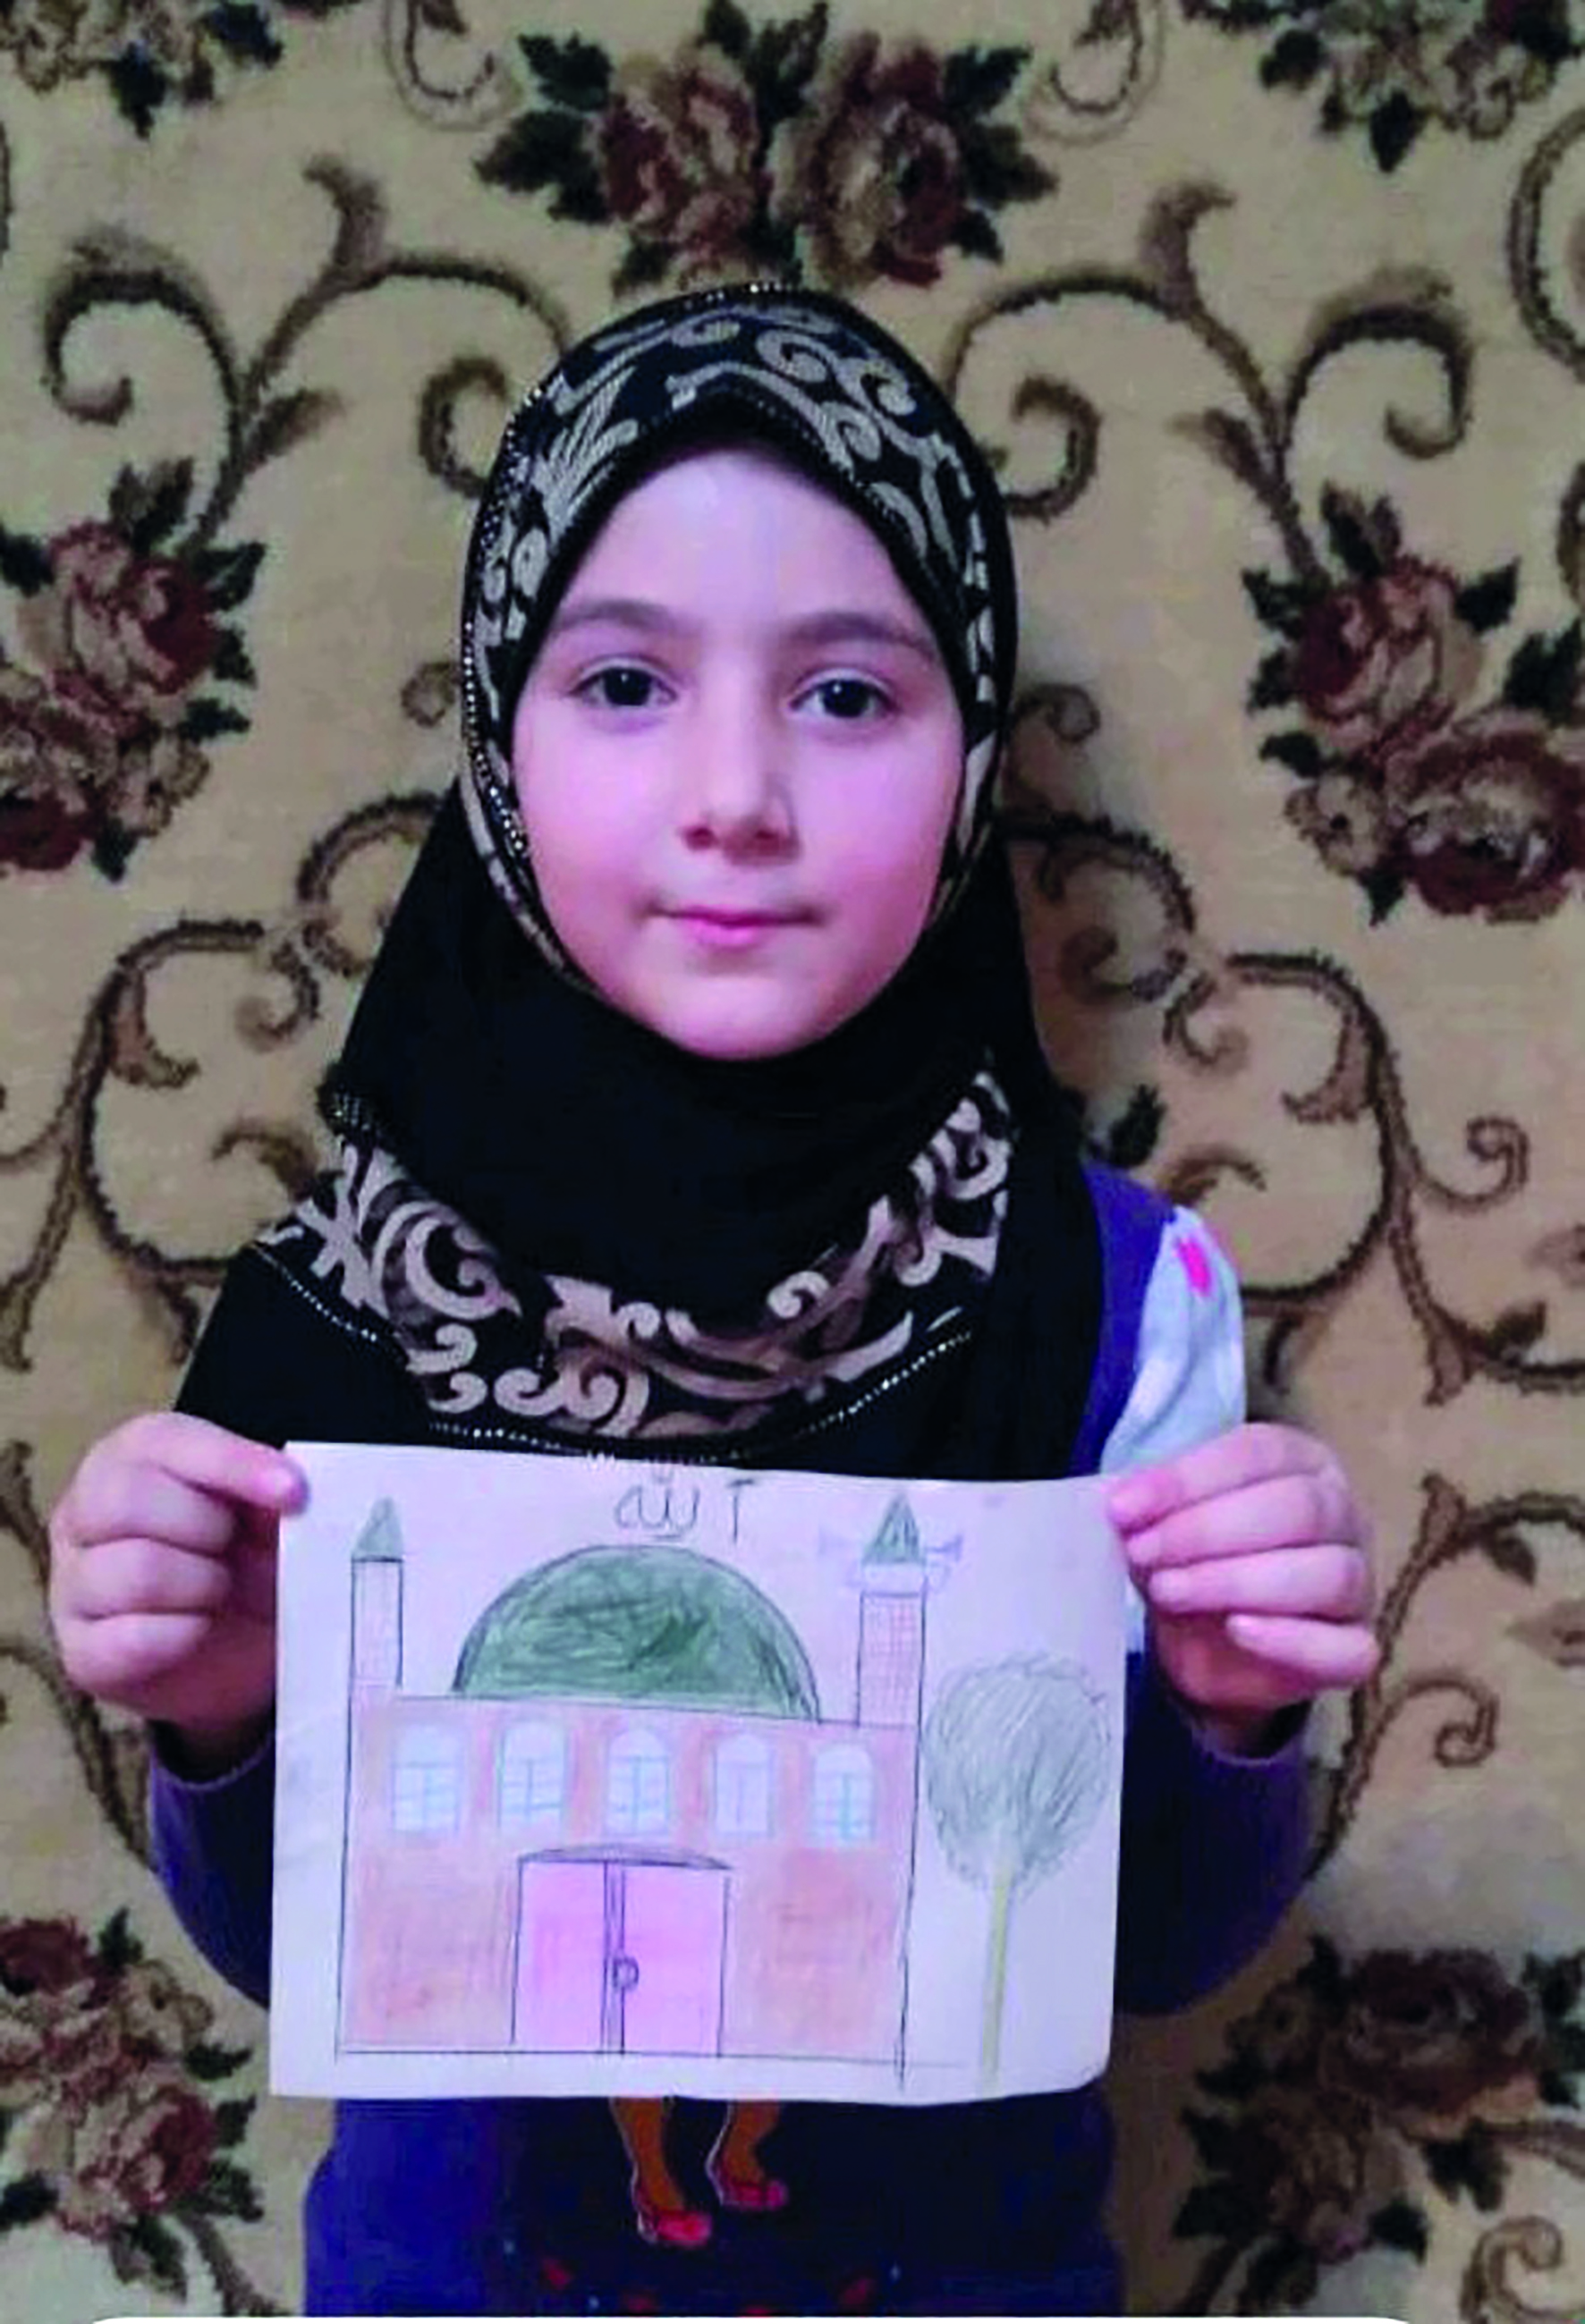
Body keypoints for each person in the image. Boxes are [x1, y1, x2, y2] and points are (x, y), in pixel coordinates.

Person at [47, 285, 1377, 2318]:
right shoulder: (347, 1299)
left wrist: (1228, 1707)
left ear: (968, 755)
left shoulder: (1118, 1300)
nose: (736, 791)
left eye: (846, 694)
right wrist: (223, 1714)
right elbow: (291, 1952)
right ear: (498, 735)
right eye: (622, 683)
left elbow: (1160, 1949)